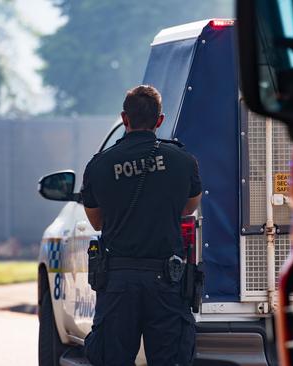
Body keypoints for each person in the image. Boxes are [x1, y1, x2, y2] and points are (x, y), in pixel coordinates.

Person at [81, 85, 202, 365]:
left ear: (125, 118)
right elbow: (188, 207)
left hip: (118, 282)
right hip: (167, 281)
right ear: (160, 120)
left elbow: (96, 221)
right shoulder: (183, 161)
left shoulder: (99, 165)